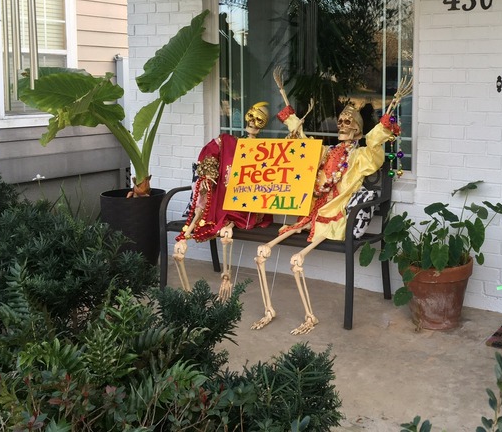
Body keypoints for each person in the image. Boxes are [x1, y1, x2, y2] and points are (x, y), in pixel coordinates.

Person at [251, 75, 412, 334]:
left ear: (357, 130)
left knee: (295, 260)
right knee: (262, 253)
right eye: (340, 121)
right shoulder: (327, 151)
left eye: (348, 122)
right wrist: (283, 98)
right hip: (314, 210)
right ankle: (269, 309)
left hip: (336, 216)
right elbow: (302, 141)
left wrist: (392, 107)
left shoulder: (359, 157)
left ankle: (309, 317)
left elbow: (375, 144)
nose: (342, 124)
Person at [173, 101, 272, 299]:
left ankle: (226, 277)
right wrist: (208, 175)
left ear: (264, 125)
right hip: (221, 199)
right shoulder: (228, 143)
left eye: (259, 119)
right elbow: (210, 152)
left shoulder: (265, 151)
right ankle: (189, 236)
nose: (253, 122)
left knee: (227, 231)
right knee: (214, 216)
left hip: (244, 208)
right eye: (251, 116)